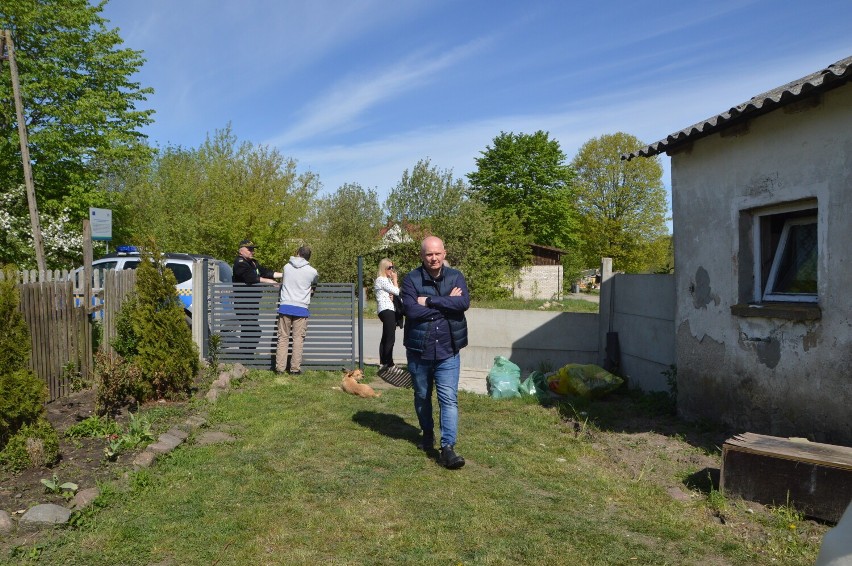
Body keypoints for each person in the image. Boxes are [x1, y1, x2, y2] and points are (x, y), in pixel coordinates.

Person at [401, 236, 470, 469]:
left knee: (448, 399)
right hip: (419, 350)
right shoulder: (411, 279)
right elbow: (411, 311)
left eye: (437, 253)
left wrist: (429, 301)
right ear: (422, 256)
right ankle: (427, 433)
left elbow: (463, 304)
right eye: (429, 254)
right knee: (422, 396)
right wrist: (445, 304)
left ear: (444, 253)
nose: (434, 258)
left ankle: (448, 447)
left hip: (448, 350)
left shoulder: (456, 276)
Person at [276, 245, 318, 375]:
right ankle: (294, 369)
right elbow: (314, 285)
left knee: (283, 338)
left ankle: (280, 369)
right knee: (298, 339)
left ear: (297, 253)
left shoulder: (286, 267)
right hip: (301, 308)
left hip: (285, 306)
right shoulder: (313, 272)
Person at [232, 239, 281, 350]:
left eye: (253, 249)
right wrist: (269, 281)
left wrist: (285, 274)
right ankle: (245, 357)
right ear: (241, 251)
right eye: (249, 249)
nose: (252, 251)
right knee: (253, 331)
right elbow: (250, 278)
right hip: (243, 304)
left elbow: (266, 272)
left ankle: (245, 358)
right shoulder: (239, 263)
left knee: (249, 331)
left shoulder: (252, 262)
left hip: (252, 304)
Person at [374, 258, 407, 382]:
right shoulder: (381, 279)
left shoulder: (384, 280)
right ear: (384, 269)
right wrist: (395, 280)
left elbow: (394, 294)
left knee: (386, 337)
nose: (392, 270)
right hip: (387, 310)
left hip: (387, 309)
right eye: (389, 268)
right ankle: (390, 364)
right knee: (390, 338)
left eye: (393, 267)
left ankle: (383, 363)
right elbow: (398, 291)